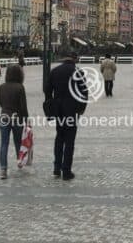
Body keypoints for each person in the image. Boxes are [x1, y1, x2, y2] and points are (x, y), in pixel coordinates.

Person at [44, 51, 87, 180]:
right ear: (75, 59)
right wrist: (80, 109)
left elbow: (47, 90)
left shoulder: (55, 71)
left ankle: (57, 168)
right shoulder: (78, 72)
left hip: (58, 111)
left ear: (64, 58)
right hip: (72, 111)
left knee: (59, 137)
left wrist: (51, 104)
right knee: (69, 141)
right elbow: (84, 93)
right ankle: (66, 171)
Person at [0, 64, 29, 179]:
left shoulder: (2, 86)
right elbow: (23, 107)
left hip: (4, 116)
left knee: (4, 143)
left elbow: (0, 102)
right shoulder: (20, 87)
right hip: (16, 118)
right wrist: (26, 120)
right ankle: (19, 161)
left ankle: (3, 170)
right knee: (18, 142)